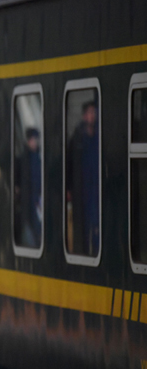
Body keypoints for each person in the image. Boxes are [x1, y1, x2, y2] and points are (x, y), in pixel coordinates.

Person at [66, 101, 100, 256]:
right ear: (84, 116)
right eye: (90, 112)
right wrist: (69, 188)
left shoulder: (99, 136)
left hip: (95, 189)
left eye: (95, 112)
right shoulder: (77, 139)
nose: (93, 116)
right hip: (82, 191)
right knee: (83, 228)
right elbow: (68, 164)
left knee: (97, 226)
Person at [14, 128, 42, 248]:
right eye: (33, 140)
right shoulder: (23, 160)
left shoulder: (37, 159)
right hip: (27, 202)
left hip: (34, 202)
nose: (34, 143)